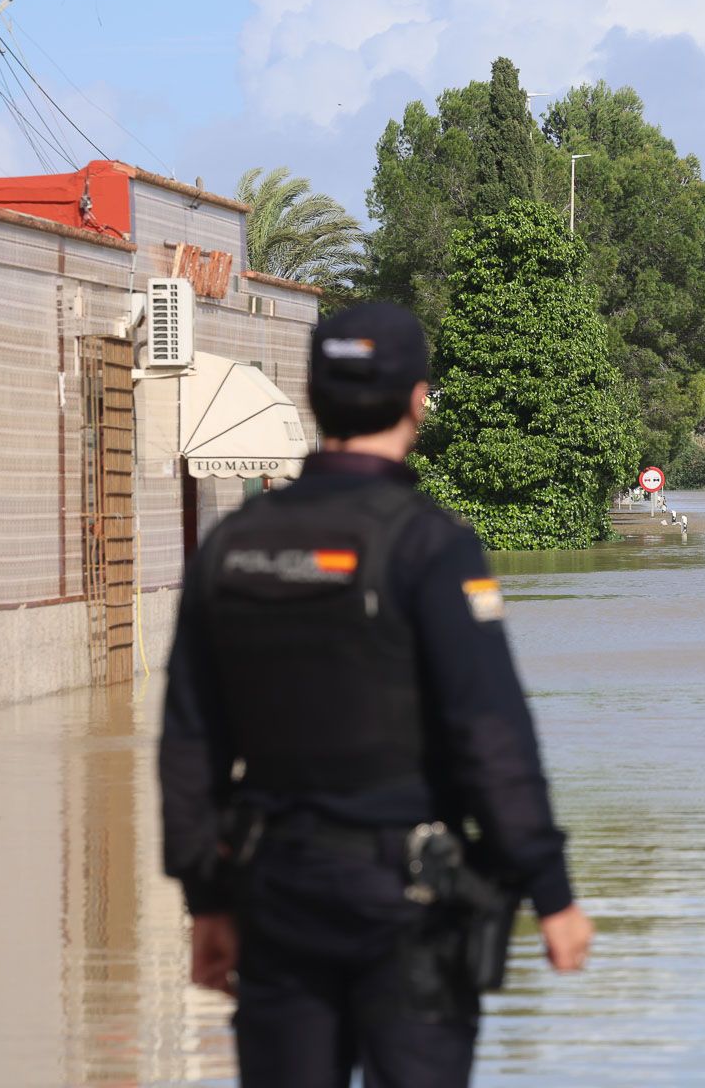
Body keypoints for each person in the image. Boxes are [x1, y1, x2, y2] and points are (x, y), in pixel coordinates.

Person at [159, 302, 593, 1088]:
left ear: (313, 395)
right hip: (410, 903)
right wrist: (551, 892)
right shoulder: (432, 545)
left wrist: (206, 898)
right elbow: (490, 733)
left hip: (274, 894)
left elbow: (189, 741)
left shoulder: (233, 545)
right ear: (418, 401)